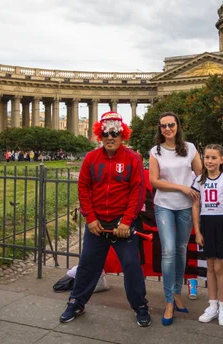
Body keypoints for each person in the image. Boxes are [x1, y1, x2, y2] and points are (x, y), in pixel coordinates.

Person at [59, 111, 151, 327]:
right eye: (106, 133)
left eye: (115, 133)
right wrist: (90, 218)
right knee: (88, 265)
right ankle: (76, 302)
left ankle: (140, 306)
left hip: (123, 224)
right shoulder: (91, 158)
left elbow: (137, 192)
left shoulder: (132, 158)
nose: (111, 137)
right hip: (97, 224)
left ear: (122, 135)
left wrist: (127, 221)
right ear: (100, 135)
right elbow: (83, 188)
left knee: (131, 265)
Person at [149, 111, 202, 326]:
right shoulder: (156, 151)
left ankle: (177, 293)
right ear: (159, 129)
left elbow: (201, 175)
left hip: (185, 207)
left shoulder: (190, 148)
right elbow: (154, 181)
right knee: (169, 251)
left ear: (178, 126)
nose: (168, 128)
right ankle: (169, 301)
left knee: (181, 250)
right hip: (164, 205)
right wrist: (181, 186)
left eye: (171, 124)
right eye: (163, 126)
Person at [191, 144, 223, 327]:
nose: (209, 161)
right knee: (209, 266)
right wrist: (197, 230)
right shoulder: (198, 180)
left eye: (213, 157)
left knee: (220, 268)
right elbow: (195, 206)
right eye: (206, 157)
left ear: (221, 159)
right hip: (207, 223)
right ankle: (212, 305)